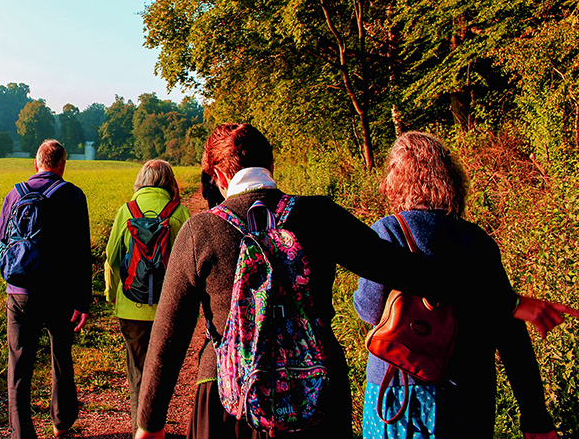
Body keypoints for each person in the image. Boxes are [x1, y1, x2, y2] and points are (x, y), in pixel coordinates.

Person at [134, 123, 577, 439]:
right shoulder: (321, 215)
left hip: (228, 396)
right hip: (317, 394)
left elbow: (169, 335)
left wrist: (149, 423)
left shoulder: (199, 231)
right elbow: (409, 271)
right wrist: (508, 303)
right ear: (272, 166)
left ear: (218, 175)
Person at [354, 132, 560, 438]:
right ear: (450, 180)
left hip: (401, 390)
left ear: (396, 180)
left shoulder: (388, 232)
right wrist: (535, 417)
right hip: (469, 391)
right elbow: (510, 331)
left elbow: (370, 310)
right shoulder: (477, 241)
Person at [0, 139, 91, 439]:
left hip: (20, 292)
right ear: (62, 165)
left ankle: (22, 433)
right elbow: (81, 254)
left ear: (36, 164)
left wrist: (14, 279)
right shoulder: (73, 195)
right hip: (59, 294)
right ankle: (61, 421)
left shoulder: (15, 194)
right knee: (61, 355)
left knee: (19, 364)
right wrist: (82, 301)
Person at [103, 159, 191, 434]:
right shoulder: (179, 213)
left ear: (141, 180)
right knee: (164, 375)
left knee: (138, 373)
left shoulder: (125, 212)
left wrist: (113, 296)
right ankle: (156, 427)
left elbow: (112, 258)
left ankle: (139, 431)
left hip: (132, 308)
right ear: (169, 182)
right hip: (171, 309)